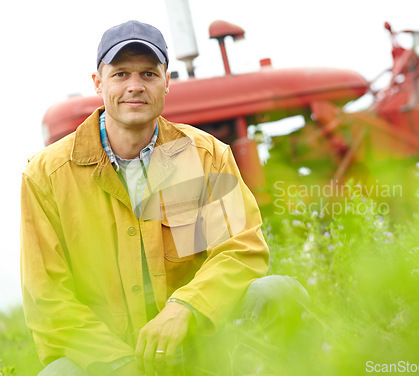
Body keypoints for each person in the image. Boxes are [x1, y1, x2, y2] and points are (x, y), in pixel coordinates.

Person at [20, 20, 296, 376]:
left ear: (168, 81)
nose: (135, 86)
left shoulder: (203, 156)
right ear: (98, 82)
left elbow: (240, 249)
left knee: (277, 293)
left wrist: (186, 306)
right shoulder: (47, 176)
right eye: (120, 74)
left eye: (149, 74)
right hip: (110, 361)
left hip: (201, 339)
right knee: (58, 374)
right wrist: (121, 365)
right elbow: (48, 299)